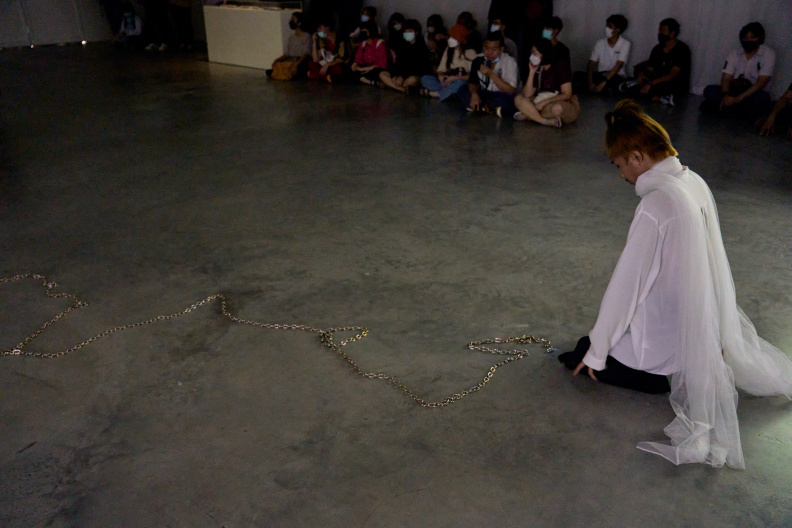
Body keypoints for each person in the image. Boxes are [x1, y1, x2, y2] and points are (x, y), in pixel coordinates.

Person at [559, 99, 792, 469]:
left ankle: (655, 376)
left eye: (619, 165)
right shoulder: (692, 181)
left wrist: (598, 350)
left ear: (637, 157)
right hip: (697, 327)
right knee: (591, 345)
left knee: (581, 350)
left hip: (666, 341)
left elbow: (627, 287)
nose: (621, 175)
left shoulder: (656, 204)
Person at [700, 22, 775, 120]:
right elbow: (726, 78)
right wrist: (726, 96)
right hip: (734, 89)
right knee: (709, 90)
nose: (748, 41)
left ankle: (725, 109)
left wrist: (739, 99)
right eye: (745, 38)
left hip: (752, 92)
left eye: (752, 37)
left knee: (762, 98)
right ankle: (737, 111)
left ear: (760, 38)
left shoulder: (768, 54)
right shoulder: (734, 53)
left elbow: (761, 83)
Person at [620, 18, 690, 106]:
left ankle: (659, 98)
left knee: (649, 90)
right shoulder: (657, 48)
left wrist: (651, 83)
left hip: (673, 82)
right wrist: (642, 76)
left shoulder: (682, 49)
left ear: (672, 33)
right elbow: (650, 68)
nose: (659, 34)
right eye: (659, 31)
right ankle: (661, 98)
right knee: (635, 89)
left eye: (662, 31)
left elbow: (672, 75)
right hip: (656, 80)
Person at [514, 39, 579, 127]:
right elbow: (527, 94)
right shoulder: (539, 68)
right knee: (518, 99)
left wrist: (544, 102)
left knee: (557, 108)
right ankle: (544, 121)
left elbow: (567, 94)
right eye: (531, 53)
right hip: (540, 101)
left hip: (558, 101)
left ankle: (530, 114)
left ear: (544, 53)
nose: (532, 57)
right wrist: (532, 72)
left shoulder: (560, 65)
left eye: (535, 53)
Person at [457, 31, 519, 118]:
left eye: (494, 50)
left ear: (501, 49)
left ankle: (481, 108)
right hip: (484, 93)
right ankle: (491, 109)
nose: (489, 52)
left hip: (500, 94)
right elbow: (472, 82)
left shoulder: (509, 61)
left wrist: (491, 75)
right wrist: (474, 94)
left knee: (508, 100)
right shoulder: (478, 59)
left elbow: (511, 90)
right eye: (486, 48)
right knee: (463, 90)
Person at [420, 24, 478, 101]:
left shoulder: (470, 52)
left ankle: (435, 94)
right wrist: (441, 76)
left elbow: (474, 76)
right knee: (425, 79)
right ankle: (445, 93)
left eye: (454, 37)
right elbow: (441, 69)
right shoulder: (449, 50)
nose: (450, 39)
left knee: (460, 84)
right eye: (450, 37)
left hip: (460, 80)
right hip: (447, 81)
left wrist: (455, 78)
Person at [377, 19, 432, 94]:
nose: (407, 34)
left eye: (410, 31)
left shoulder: (421, 47)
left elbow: (417, 67)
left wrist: (402, 76)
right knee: (382, 74)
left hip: (414, 75)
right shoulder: (403, 46)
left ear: (416, 32)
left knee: (412, 80)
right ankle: (402, 89)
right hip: (400, 75)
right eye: (405, 32)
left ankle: (393, 86)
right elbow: (398, 63)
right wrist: (395, 75)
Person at [585, 14, 630, 95]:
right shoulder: (600, 43)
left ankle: (602, 88)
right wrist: (590, 83)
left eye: (610, 26)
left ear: (617, 30)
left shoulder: (625, 44)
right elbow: (591, 63)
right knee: (578, 76)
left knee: (612, 87)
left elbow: (619, 65)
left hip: (615, 76)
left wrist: (604, 82)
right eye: (606, 26)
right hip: (601, 75)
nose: (606, 29)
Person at [268, 12, 312, 80]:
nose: (291, 21)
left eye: (293, 19)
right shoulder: (291, 38)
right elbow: (287, 53)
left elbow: (305, 53)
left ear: (299, 23)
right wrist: (277, 60)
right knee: (278, 66)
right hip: (291, 60)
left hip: (301, 60)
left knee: (299, 68)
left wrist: (296, 63)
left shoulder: (306, 36)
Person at [308, 18, 351, 83]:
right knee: (311, 64)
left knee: (338, 67)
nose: (318, 30)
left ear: (327, 28)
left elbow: (342, 58)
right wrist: (314, 42)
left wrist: (328, 65)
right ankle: (327, 77)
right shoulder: (322, 40)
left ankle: (321, 76)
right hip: (327, 62)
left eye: (320, 28)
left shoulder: (340, 38)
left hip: (336, 63)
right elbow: (315, 60)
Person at [350, 20, 389, 87]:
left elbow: (381, 64)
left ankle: (373, 82)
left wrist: (364, 69)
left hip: (377, 69)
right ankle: (373, 82)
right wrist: (355, 64)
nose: (363, 32)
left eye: (365, 30)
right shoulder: (363, 44)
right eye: (362, 30)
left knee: (375, 72)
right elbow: (358, 58)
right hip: (366, 68)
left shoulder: (380, 43)